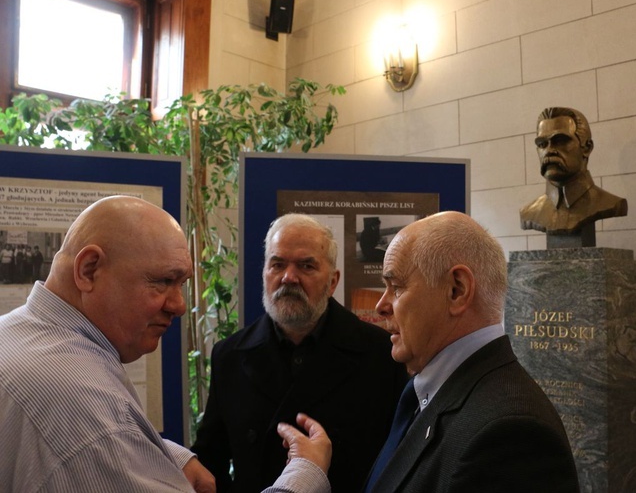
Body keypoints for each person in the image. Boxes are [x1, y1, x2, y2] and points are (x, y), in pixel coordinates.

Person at [0, 196, 332, 493]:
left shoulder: (14, 333)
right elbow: (92, 436)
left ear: (333, 280)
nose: (179, 305)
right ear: (89, 270)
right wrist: (305, 474)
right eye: (163, 281)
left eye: (182, 283)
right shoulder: (85, 407)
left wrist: (160, 455)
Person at [363, 211, 580, 492]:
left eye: (397, 287)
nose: (381, 305)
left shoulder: (509, 436)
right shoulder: (431, 392)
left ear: (457, 290)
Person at [192, 213, 408, 493]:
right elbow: (212, 460)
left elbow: (398, 462)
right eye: (277, 264)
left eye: (306, 266)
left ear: (332, 282)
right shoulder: (229, 355)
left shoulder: (381, 354)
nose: (289, 277)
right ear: (264, 274)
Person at [520, 106, 627, 234]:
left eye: (560, 141)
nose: (549, 151)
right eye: (542, 144)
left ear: (587, 148)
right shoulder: (530, 212)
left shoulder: (610, 203)